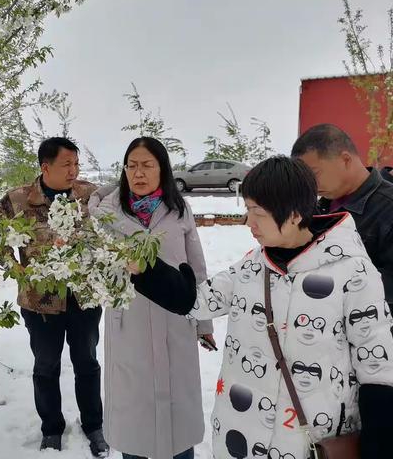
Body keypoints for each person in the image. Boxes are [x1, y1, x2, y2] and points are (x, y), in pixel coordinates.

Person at [131, 156, 393, 459]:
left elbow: (378, 366)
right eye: (247, 210)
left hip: (310, 444)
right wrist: (145, 270)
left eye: (258, 212)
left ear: (294, 214)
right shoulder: (254, 265)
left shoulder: (353, 271)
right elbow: (200, 301)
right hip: (241, 435)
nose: (249, 223)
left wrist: (379, 447)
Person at [88, 137, 215, 459]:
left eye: (147, 165)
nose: (138, 173)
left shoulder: (178, 209)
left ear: (163, 170)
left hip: (175, 319)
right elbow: (92, 268)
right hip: (129, 325)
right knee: (134, 416)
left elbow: (196, 267)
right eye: (132, 165)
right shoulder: (105, 215)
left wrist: (203, 323)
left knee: (178, 416)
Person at [0, 137, 109, 456]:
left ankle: (94, 425)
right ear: (46, 167)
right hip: (40, 301)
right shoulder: (18, 199)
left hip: (84, 297)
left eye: (76, 163)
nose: (73, 170)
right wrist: (16, 269)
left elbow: (111, 230)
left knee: (87, 362)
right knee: (45, 365)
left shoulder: (89, 195)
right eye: (66, 164)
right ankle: (51, 429)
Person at [291, 124, 393, 310]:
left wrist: (336, 278)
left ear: (345, 159)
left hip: (373, 330)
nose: (310, 185)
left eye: (314, 174)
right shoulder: (319, 207)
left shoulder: (388, 206)